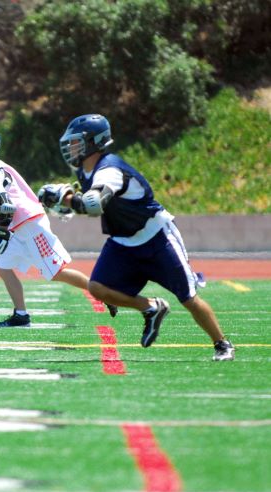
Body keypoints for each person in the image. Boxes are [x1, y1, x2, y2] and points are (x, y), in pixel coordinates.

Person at [38, 113, 234, 361]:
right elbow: (86, 204)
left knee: (188, 298)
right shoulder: (85, 172)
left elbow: (93, 203)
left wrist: (66, 199)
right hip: (123, 241)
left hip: (156, 238)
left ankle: (222, 344)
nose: (71, 148)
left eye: (76, 142)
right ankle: (150, 306)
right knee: (97, 288)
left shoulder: (110, 168)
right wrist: (65, 203)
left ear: (93, 142)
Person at [0, 128, 115, 327]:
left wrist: (1, 233)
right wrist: (5, 233)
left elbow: (6, 204)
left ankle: (104, 293)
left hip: (29, 224)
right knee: (2, 264)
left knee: (57, 273)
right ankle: (21, 315)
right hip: (21, 224)